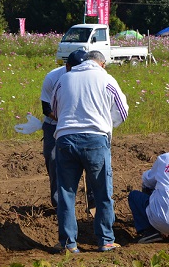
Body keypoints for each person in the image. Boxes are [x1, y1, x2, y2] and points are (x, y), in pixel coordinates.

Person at [51, 50, 128, 253]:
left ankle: (68, 243)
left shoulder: (64, 79)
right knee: (103, 192)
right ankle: (105, 240)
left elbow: (55, 110)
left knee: (66, 193)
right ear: (102, 64)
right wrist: (106, 124)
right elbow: (122, 110)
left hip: (65, 140)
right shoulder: (106, 78)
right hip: (96, 139)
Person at [40, 49, 87, 209]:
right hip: (54, 125)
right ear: (67, 66)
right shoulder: (52, 77)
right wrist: (64, 121)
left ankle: (91, 200)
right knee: (53, 161)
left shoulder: (88, 78)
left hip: (79, 126)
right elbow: (46, 108)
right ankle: (59, 204)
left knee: (87, 161)